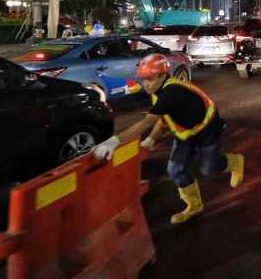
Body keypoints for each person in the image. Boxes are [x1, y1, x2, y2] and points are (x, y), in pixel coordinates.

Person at [93, 53, 245, 224]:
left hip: (206, 131)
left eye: (150, 79)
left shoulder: (172, 92)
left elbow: (147, 121)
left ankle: (234, 162)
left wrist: (114, 141)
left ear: (163, 75)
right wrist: (151, 139)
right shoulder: (159, 92)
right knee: (175, 170)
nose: (146, 84)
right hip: (185, 135)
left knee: (209, 169)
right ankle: (194, 205)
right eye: (143, 79)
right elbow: (164, 118)